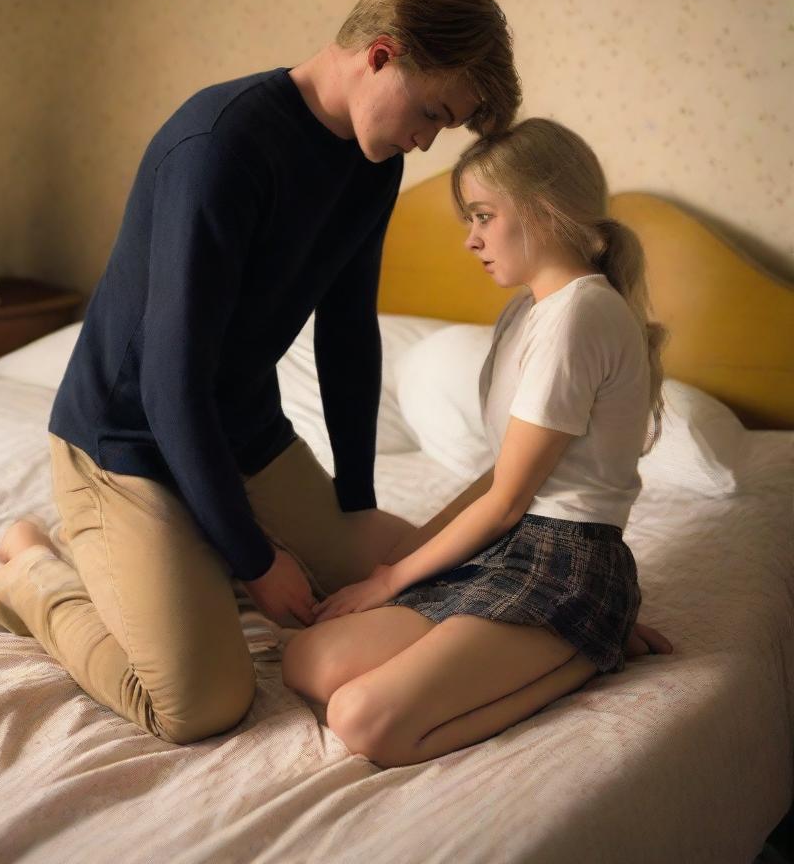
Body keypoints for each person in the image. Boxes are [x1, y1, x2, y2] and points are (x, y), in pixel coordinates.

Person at [0, 0, 666, 746]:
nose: (426, 141)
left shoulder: (375, 166)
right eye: (432, 112)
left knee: (422, 567)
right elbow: (170, 388)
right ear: (381, 53)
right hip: (130, 445)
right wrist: (258, 559)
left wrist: (355, 505)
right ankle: (32, 572)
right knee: (200, 703)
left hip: (244, 435)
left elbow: (347, 331)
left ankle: (202, 562)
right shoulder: (220, 148)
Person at [281, 117, 674, 768]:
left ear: (543, 209)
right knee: (307, 660)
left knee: (363, 719)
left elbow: (509, 500)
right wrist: (405, 561)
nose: (471, 239)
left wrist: (392, 579)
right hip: (510, 545)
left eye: (484, 216)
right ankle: (543, 645)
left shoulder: (580, 315)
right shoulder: (529, 309)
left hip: (567, 565)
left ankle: (586, 647)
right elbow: (502, 477)